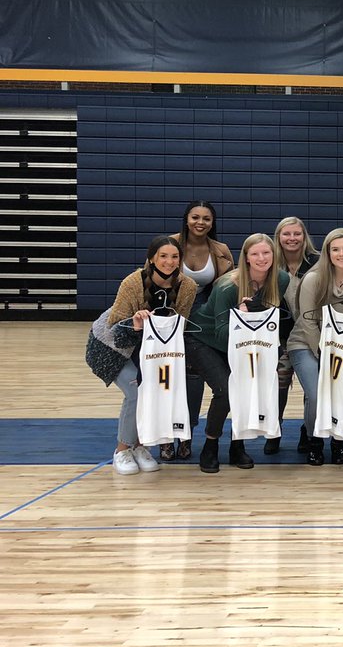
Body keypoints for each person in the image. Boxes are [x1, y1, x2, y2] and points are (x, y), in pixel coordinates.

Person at [91, 236, 198, 475]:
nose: (169, 262)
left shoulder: (187, 286)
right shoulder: (133, 282)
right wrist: (135, 324)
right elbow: (115, 328)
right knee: (136, 390)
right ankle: (121, 450)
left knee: (153, 390)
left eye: (174, 256)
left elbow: (179, 325)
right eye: (163, 256)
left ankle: (139, 447)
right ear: (151, 258)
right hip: (111, 346)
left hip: (153, 349)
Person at [188, 233, 290, 474]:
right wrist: (241, 315)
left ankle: (237, 445)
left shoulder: (281, 279)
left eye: (266, 252)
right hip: (204, 339)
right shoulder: (226, 286)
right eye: (255, 253)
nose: (261, 258)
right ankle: (210, 445)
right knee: (226, 390)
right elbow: (224, 332)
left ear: (274, 255)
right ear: (245, 258)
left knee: (248, 388)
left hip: (245, 344)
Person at [288, 227, 343, 466]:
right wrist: (323, 353)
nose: (341, 254)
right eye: (335, 249)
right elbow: (306, 321)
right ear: (327, 252)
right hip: (306, 343)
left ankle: (338, 441)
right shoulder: (314, 279)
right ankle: (314, 440)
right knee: (316, 393)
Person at [169, 200, 233, 461]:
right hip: (171, 320)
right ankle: (175, 435)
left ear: (212, 223)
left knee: (196, 377)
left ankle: (190, 435)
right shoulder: (169, 245)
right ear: (186, 219)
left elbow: (228, 287)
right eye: (195, 217)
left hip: (204, 321)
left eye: (206, 218)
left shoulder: (221, 250)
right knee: (177, 382)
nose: (200, 222)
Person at [267, 216, 320, 456]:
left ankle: (306, 429)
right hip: (280, 336)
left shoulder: (318, 262)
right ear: (278, 237)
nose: (292, 238)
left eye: (297, 234)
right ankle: (274, 429)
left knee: (313, 387)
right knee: (279, 384)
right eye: (286, 234)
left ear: (304, 236)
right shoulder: (269, 263)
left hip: (312, 334)